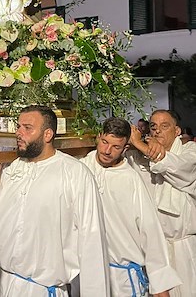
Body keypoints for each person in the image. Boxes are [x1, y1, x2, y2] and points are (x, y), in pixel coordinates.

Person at [0, 105, 109, 296]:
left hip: (40, 289)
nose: (19, 133)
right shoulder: (9, 169)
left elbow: (92, 241)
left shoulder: (75, 173)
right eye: (18, 127)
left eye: (27, 128)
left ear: (47, 134)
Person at [81, 116, 181, 296]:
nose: (107, 150)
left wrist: (160, 285)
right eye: (104, 142)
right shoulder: (81, 170)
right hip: (88, 275)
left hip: (124, 279)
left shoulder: (130, 179)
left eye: (116, 147)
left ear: (126, 148)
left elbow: (150, 231)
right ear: (98, 137)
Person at [127, 109, 196, 297]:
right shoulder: (139, 156)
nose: (157, 131)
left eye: (165, 126)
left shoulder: (190, 152)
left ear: (177, 131)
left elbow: (180, 169)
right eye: (153, 126)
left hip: (185, 250)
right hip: (153, 250)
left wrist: (141, 145)